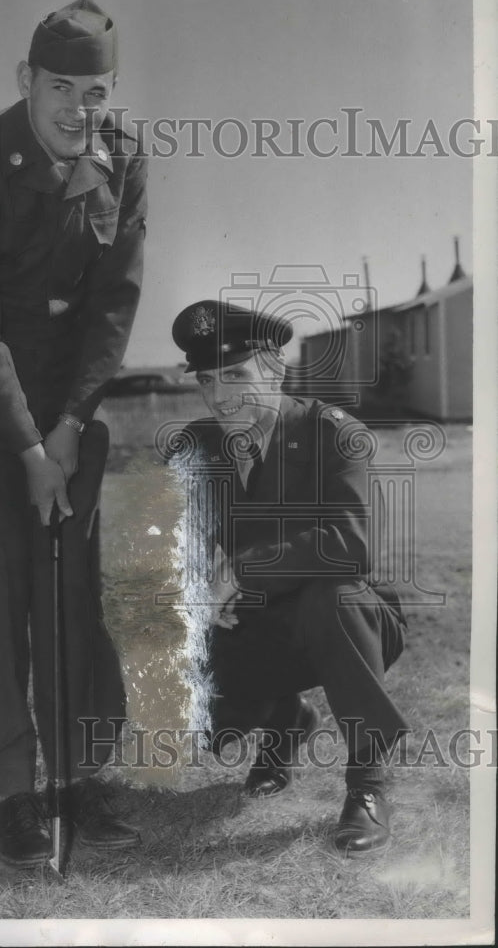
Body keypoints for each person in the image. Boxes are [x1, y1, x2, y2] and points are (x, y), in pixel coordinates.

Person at [0, 0, 147, 866]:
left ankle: (79, 781)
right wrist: (25, 447)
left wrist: (69, 429)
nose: (78, 111)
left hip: (66, 418)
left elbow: (113, 303)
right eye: (61, 88)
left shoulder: (123, 160)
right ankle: (16, 797)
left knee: (71, 604)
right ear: (26, 81)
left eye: (95, 93)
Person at [170, 299, 409, 855]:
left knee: (333, 594)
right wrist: (204, 588)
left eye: (237, 374)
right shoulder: (197, 447)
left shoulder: (334, 433)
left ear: (275, 369)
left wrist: (244, 572)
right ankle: (284, 719)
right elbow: (177, 545)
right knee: (204, 724)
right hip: (259, 624)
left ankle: (367, 787)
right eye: (207, 379)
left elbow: (353, 545)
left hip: (351, 623)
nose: (220, 394)